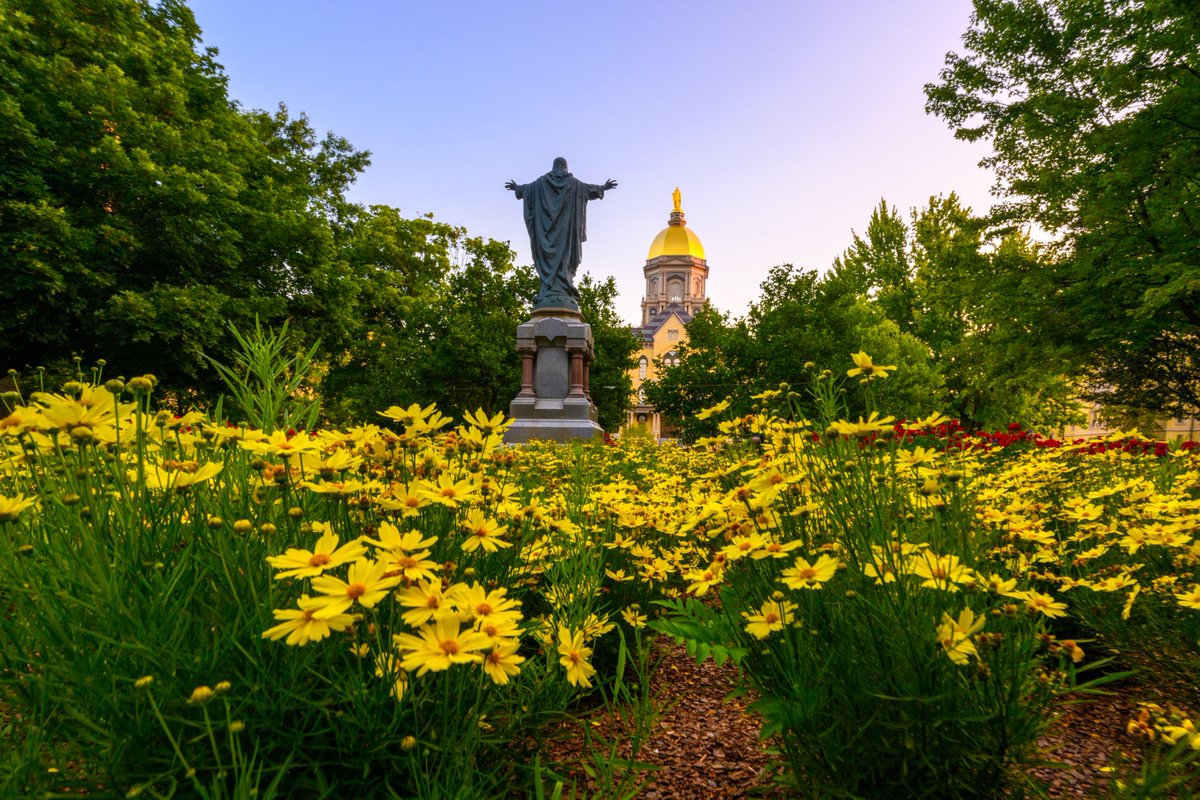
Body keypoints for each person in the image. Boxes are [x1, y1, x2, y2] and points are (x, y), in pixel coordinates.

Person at [506, 158, 616, 310]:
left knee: (550, 259)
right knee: (566, 259)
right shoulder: (574, 184)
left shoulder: (541, 183)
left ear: (554, 167)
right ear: (565, 167)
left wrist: (518, 188)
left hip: (546, 235)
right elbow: (589, 189)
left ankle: (550, 291)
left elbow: (528, 189)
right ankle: (559, 291)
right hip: (566, 235)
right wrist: (602, 187)